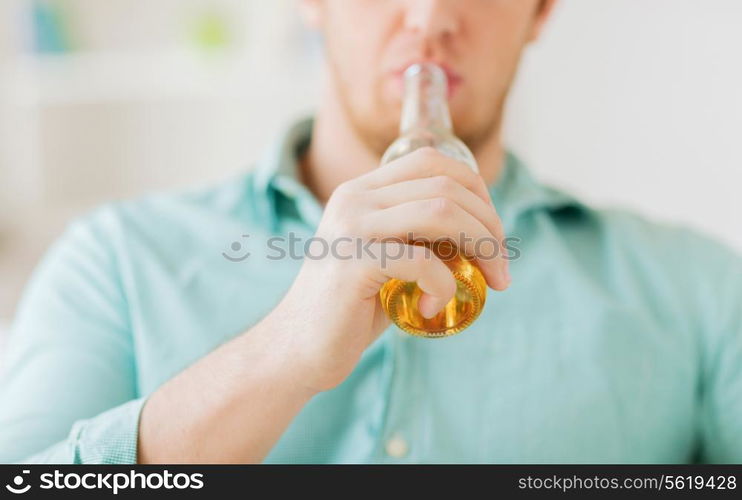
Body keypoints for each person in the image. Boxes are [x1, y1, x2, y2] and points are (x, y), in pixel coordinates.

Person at [1, 0, 740, 464]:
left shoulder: (699, 293)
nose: (427, 18)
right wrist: (282, 353)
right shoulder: (115, 261)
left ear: (542, 10)